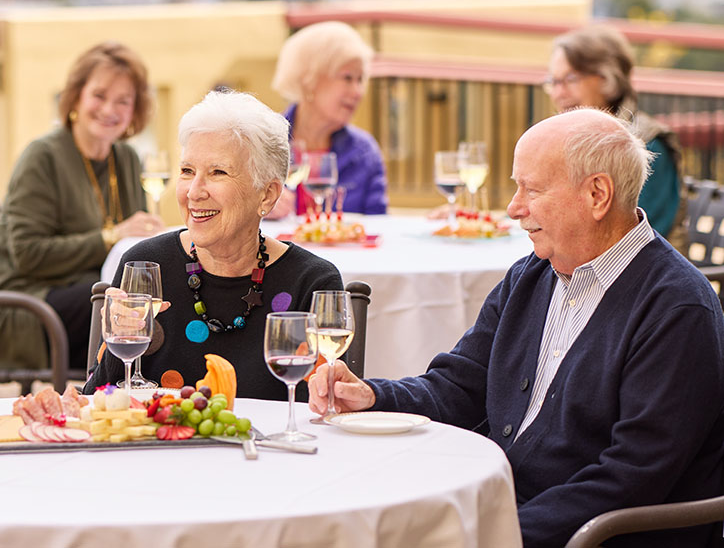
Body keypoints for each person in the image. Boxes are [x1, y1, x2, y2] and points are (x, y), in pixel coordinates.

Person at [309, 109, 724, 548]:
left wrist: (492, 532)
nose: (513, 208)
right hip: (500, 504)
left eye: (532, 189)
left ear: (597, 194)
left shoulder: (677, 307)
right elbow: (458, 386)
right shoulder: (533, 274)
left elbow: (632, 476)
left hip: (589, 535)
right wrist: (373, 395)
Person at [85, 89, 343, 400]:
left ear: (267, 194)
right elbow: (97, 397)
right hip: (162, 449)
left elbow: (321, 412)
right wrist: (119, 341)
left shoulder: (310, 281)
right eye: (187, 171)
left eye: (217, 172)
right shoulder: (146, 265)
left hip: (266, 449)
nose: (194, 192)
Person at [0, 41, 162, 372]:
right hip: (18, 301)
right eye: (99, 95)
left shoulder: (125, 159)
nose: (110, 109)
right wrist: (110, 236)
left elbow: (133, 251)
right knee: (117, 306)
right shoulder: (43, 156)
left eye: (123, 101)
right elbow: (28, 254)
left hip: (80, 293)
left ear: (135, 110)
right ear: (76, 96)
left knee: (147, 301)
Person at [547, 24, 684, 243]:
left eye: (571, 79)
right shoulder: (571, 139)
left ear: (607, 79)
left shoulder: (648, 144)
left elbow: (643, 236)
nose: (559, 93)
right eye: (554, 81)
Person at [269, 21, 387, 218]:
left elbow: (379, 226)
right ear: (309, 80)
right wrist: (259, 211)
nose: (358, 92)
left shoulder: (365, 151)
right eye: (347, 78)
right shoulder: (263, 144)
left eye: (360, 80)